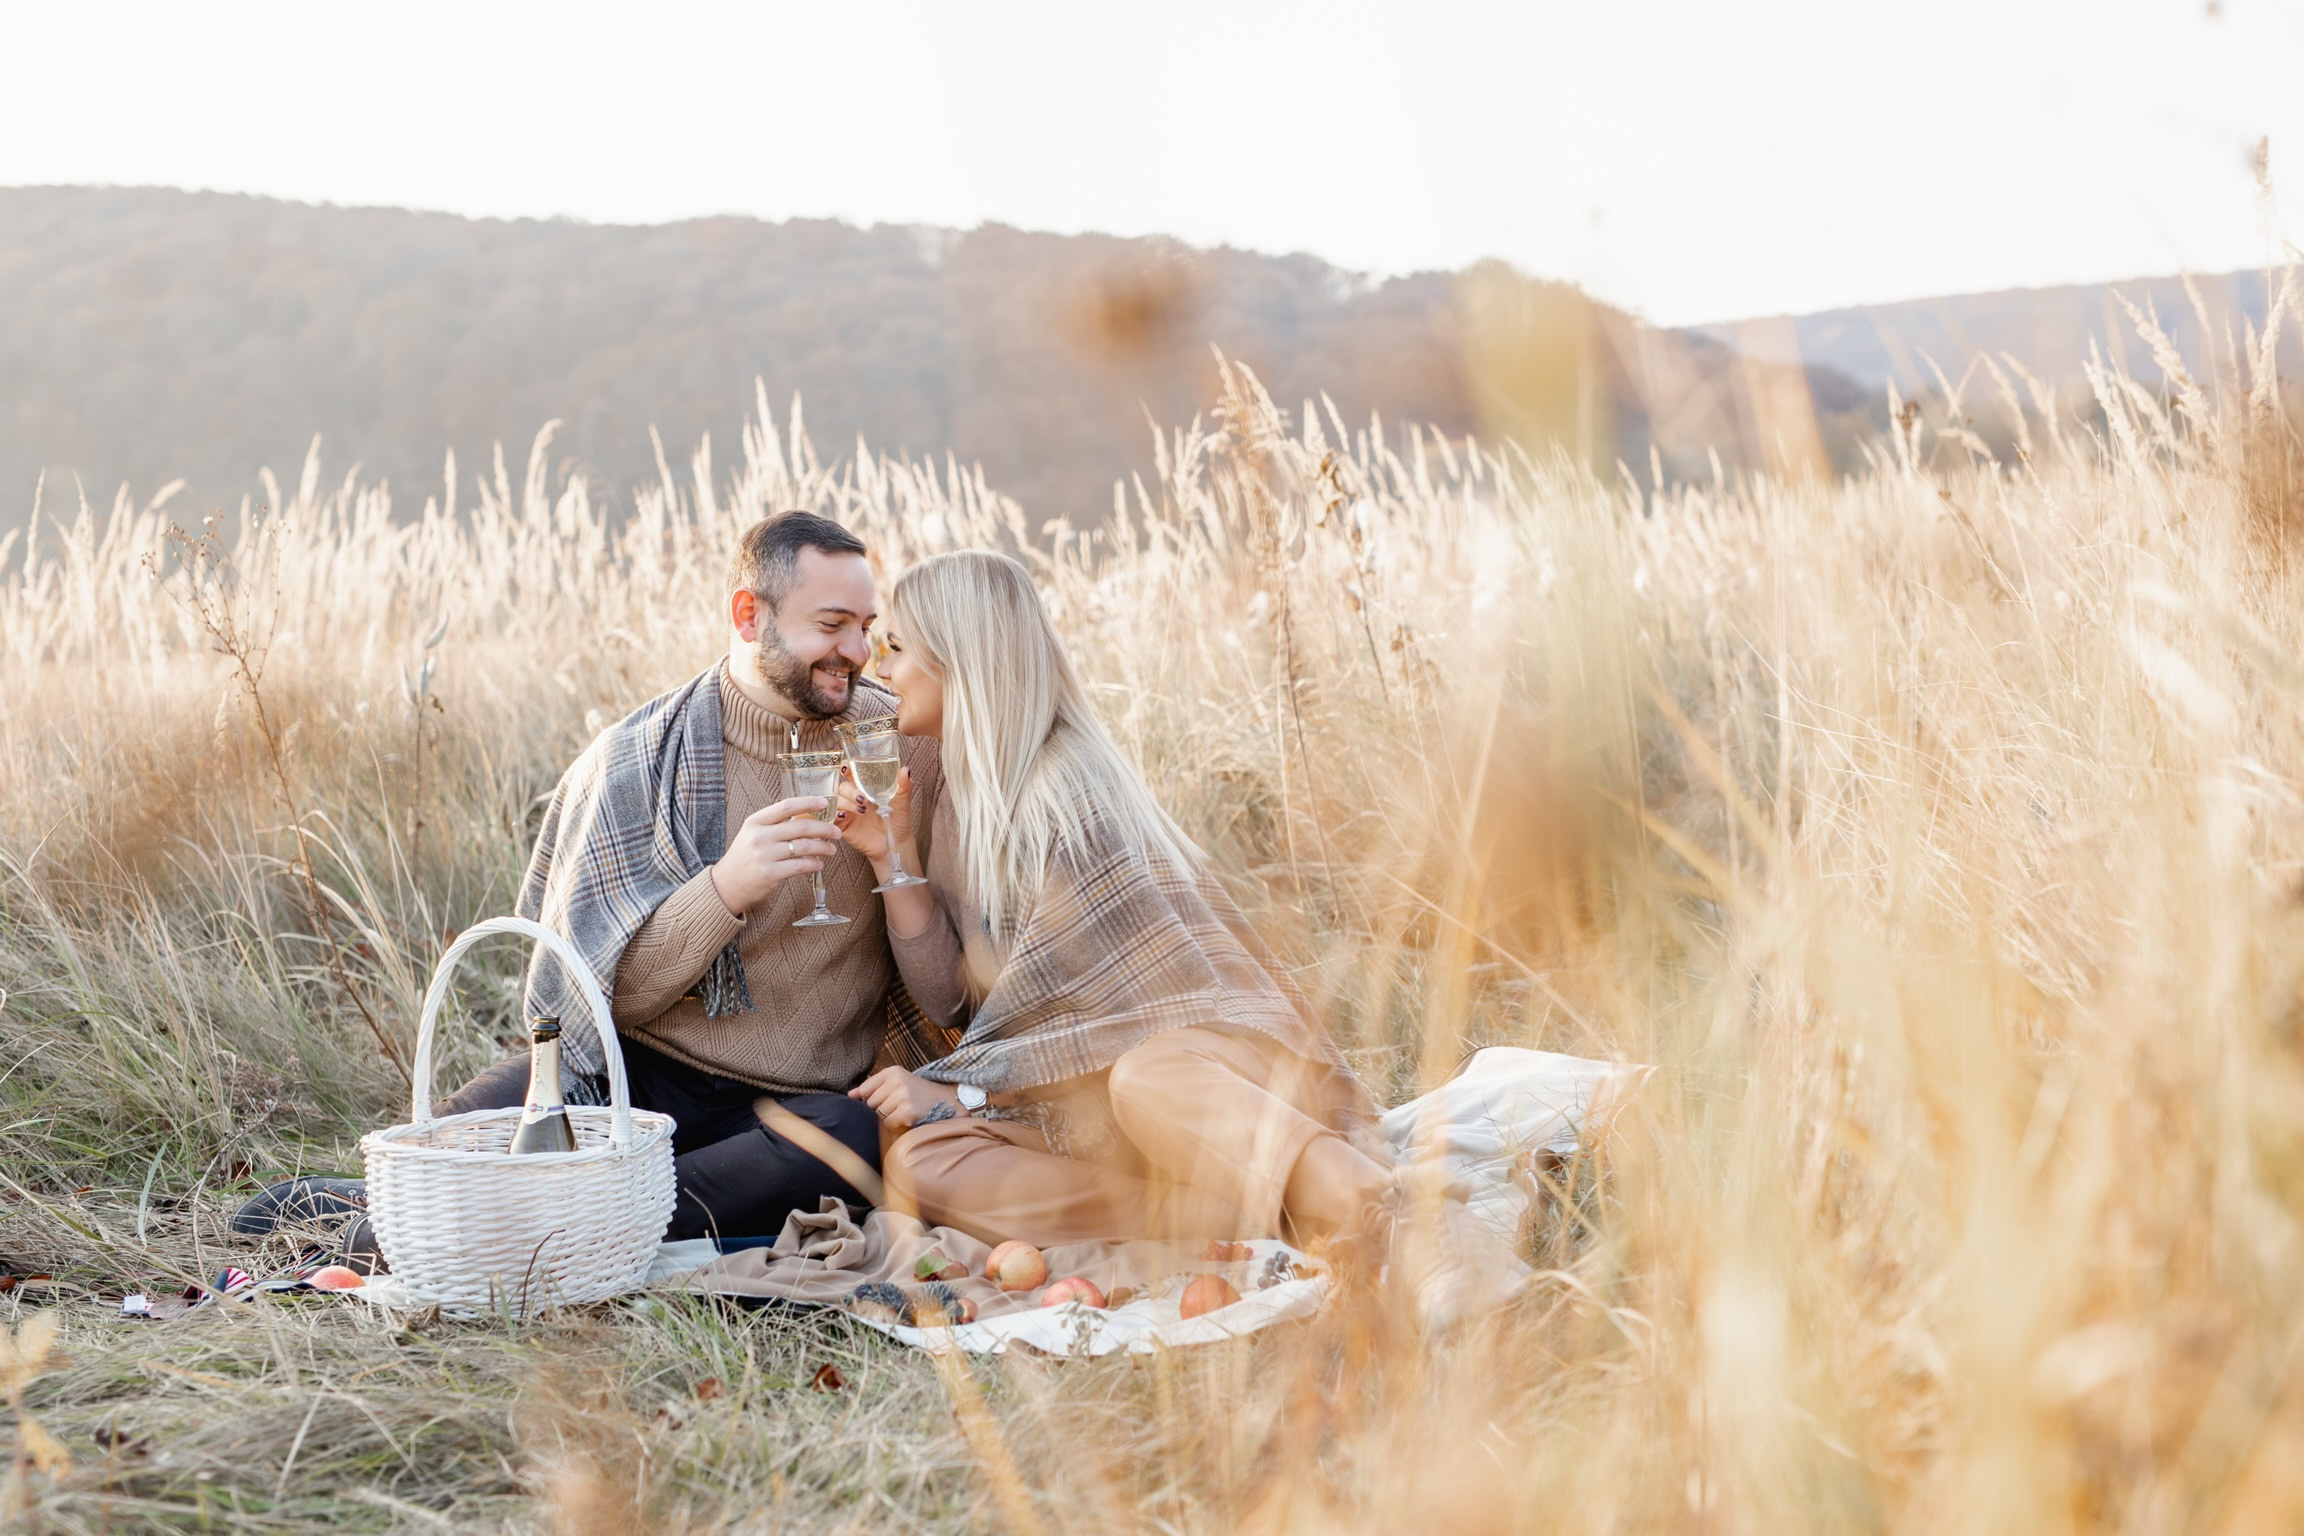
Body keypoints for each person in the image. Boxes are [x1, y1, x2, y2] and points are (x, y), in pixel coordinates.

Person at [834, 549, 1527, 1329]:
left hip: (1207, 1073)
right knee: (924, 1160)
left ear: (959, 658)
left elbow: (1125, 1023)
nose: (877, 667)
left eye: (896, 647)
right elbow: (955, 1003)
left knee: (1147, 1075)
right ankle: (1242, 1209)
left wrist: (966, 1090)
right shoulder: (951, 788)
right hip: (1080, 1106)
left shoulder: (1069, 794)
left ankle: (1403, 1218)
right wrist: (896, 861)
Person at [234, 512, 947, 1257]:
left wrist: (891, 857)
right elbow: (596, 992)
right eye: (832, 625)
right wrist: (726, 887)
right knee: (461, 1127)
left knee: (852, 1138)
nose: (857, 653)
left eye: (867, 628)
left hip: (793, 1105)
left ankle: (516, 1215)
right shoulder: (639, 758)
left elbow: (948, 978)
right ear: (748, 614)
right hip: (630, 1076)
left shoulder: (898, 743)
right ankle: (516, 1205)